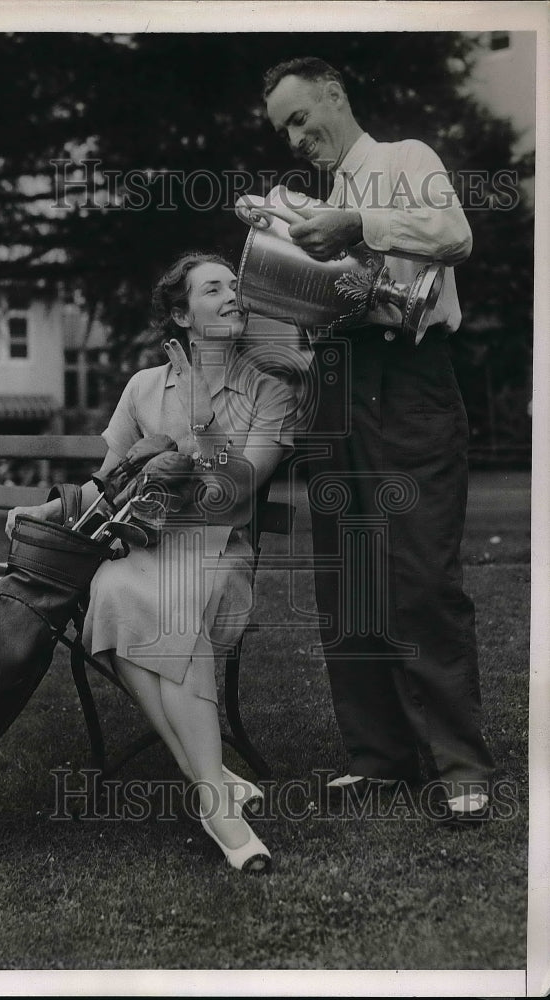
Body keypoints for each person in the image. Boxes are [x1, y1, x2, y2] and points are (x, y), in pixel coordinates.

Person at [6, 252, 297, 871]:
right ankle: (211, 784)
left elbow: (236, 491)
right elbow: (108, 482)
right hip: (147, 542)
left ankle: (212, 797)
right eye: (212, 289)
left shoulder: (270, 386)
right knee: (111, 591)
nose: (232, 296)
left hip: (220, 550)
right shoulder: (141, 386)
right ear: (180, 313)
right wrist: (43, 510)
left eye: (235, 287)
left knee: (174, 606)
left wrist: (199, 410)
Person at [261, 57, 495, 820]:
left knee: (422, 575)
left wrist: (357, 224)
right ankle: (383, 761)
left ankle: (461, 766)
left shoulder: (405, 160)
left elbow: (455, 235)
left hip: (411, 381)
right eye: (283, 130)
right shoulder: (319, 204)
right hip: (338, 383)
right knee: (349, 583)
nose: (296, 137)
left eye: (301, 117)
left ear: (336, 95)